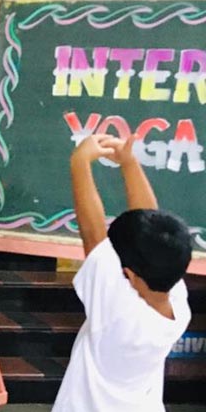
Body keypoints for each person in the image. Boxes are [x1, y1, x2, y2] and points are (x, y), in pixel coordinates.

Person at [53, 134, 192, 411]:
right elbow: (151, 227)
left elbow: (93, 235)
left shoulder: (117, 308)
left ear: (130, 274)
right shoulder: (174, 297)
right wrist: (129, 163)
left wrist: (79, 162)